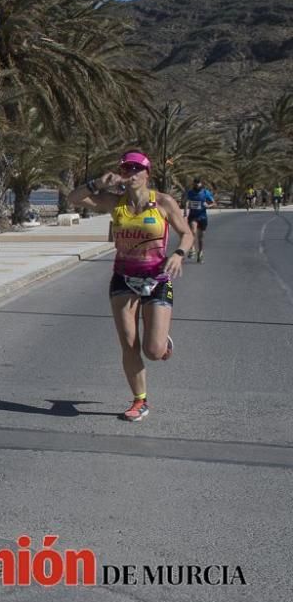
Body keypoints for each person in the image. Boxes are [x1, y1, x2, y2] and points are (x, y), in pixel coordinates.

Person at [68, 150, 194, 422]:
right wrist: (98, 183)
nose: (132, 174)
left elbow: (187, 233)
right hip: (123, 278)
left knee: (153, 351)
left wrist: (179, 254)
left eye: (137, 169)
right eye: (126, 169)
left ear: (147, 174)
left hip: (157, 278)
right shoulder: (115, 202)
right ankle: (140, 401)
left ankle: (161, 343)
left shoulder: (163, 202)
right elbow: (73, 199)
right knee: (128, 343)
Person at [184, 178, 214, 263]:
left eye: (198, 184)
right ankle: (192, 248)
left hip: (203, 217)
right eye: (195, 184)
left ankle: (200, 253)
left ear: (201, 184)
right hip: (193, 216)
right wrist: (185, 211)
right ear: (193, 184)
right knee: (193, 231)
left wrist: (208, 205)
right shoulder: (190, 192)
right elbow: (186, 201)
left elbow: (213, 202)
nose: (196, 185)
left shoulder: (205, 192)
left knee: (201, 238)